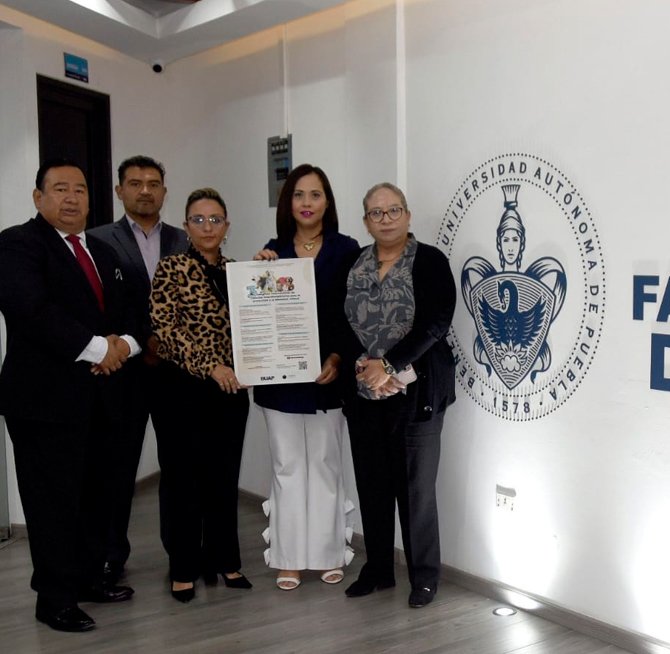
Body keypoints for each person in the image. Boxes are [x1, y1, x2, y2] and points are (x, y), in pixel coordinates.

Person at [0, 159, 139, 632]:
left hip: (101, 399)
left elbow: (132, 312)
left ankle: (88, 580)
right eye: (60, 189)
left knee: (97, 496)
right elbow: (31, 310)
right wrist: (101, 347)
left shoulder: (102, 250)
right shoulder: (18, 243)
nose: (72, 198)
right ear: (38, 198)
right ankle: (54, 598)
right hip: (44, 403)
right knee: (52, 503)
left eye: (79, 189)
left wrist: (125, 345)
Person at [336, 182, 456, 609]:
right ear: (365, 221)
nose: (385, 219)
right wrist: (364, 368)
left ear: (407, 215)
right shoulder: (354, 263)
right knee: (372, 483)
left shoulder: (430, 261)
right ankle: (379, 570)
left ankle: (424, 577)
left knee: (416, 490)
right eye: (376, 213)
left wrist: (387, 365)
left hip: (418, 390)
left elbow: (436, 323)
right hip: (364, 391)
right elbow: (339, 323)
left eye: (393, 210)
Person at [252, 164, 360, 590]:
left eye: (315, 195)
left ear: (327, 201)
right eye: (299, 195)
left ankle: (330, 553)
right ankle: (289, 557)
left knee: (326, 463)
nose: (307, 203)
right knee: (287, 466)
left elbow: (354, 315)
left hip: (327, 375)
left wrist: (337, 356)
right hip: (279, 379)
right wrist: (256, 275)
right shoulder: (272, 252)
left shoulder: (347, 249)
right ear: (288, 202)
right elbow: (257, 313)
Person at [87, 155, 188, 586]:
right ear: (119, 191)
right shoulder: (96, 240)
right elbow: (96, 305)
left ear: (164, 191)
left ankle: (181, 551)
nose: (144, 190)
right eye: (134, 183)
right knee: (117, 466)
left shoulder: (184, 239)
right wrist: (139, 340)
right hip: (123, 373)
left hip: (176, 374)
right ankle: (111, 553)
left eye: (153, 183)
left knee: (180, 466)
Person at [149, 187, 251, 603]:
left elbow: (260, 327)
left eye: (215, 219)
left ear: (227, 226)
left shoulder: (240, 274)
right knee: (181, 481)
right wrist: (213, 367)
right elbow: (165, 331)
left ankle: (226, 560)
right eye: (198, 219)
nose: (207, 226)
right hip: (182, 391)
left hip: (230, 393)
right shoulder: (171, 268)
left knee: (223, 479)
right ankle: (184, 567)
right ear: (186, 225)